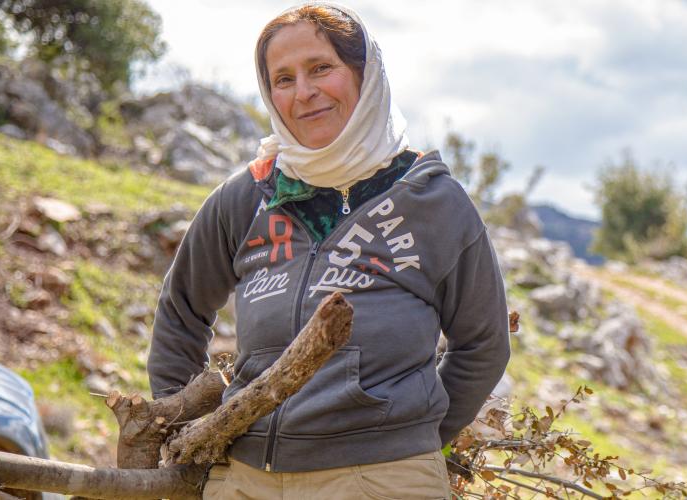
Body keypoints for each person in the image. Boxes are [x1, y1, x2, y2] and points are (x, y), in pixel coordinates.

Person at [146, 3, 511, 498]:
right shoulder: (247, 196)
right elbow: (180, 311)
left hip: (385, 480)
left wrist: (406, 435)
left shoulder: (433, 201)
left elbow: (482, 343)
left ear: (364, 74)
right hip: (245, 480)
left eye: (321, 68)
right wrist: (189, 427)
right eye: (283, 78)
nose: (304, 92)